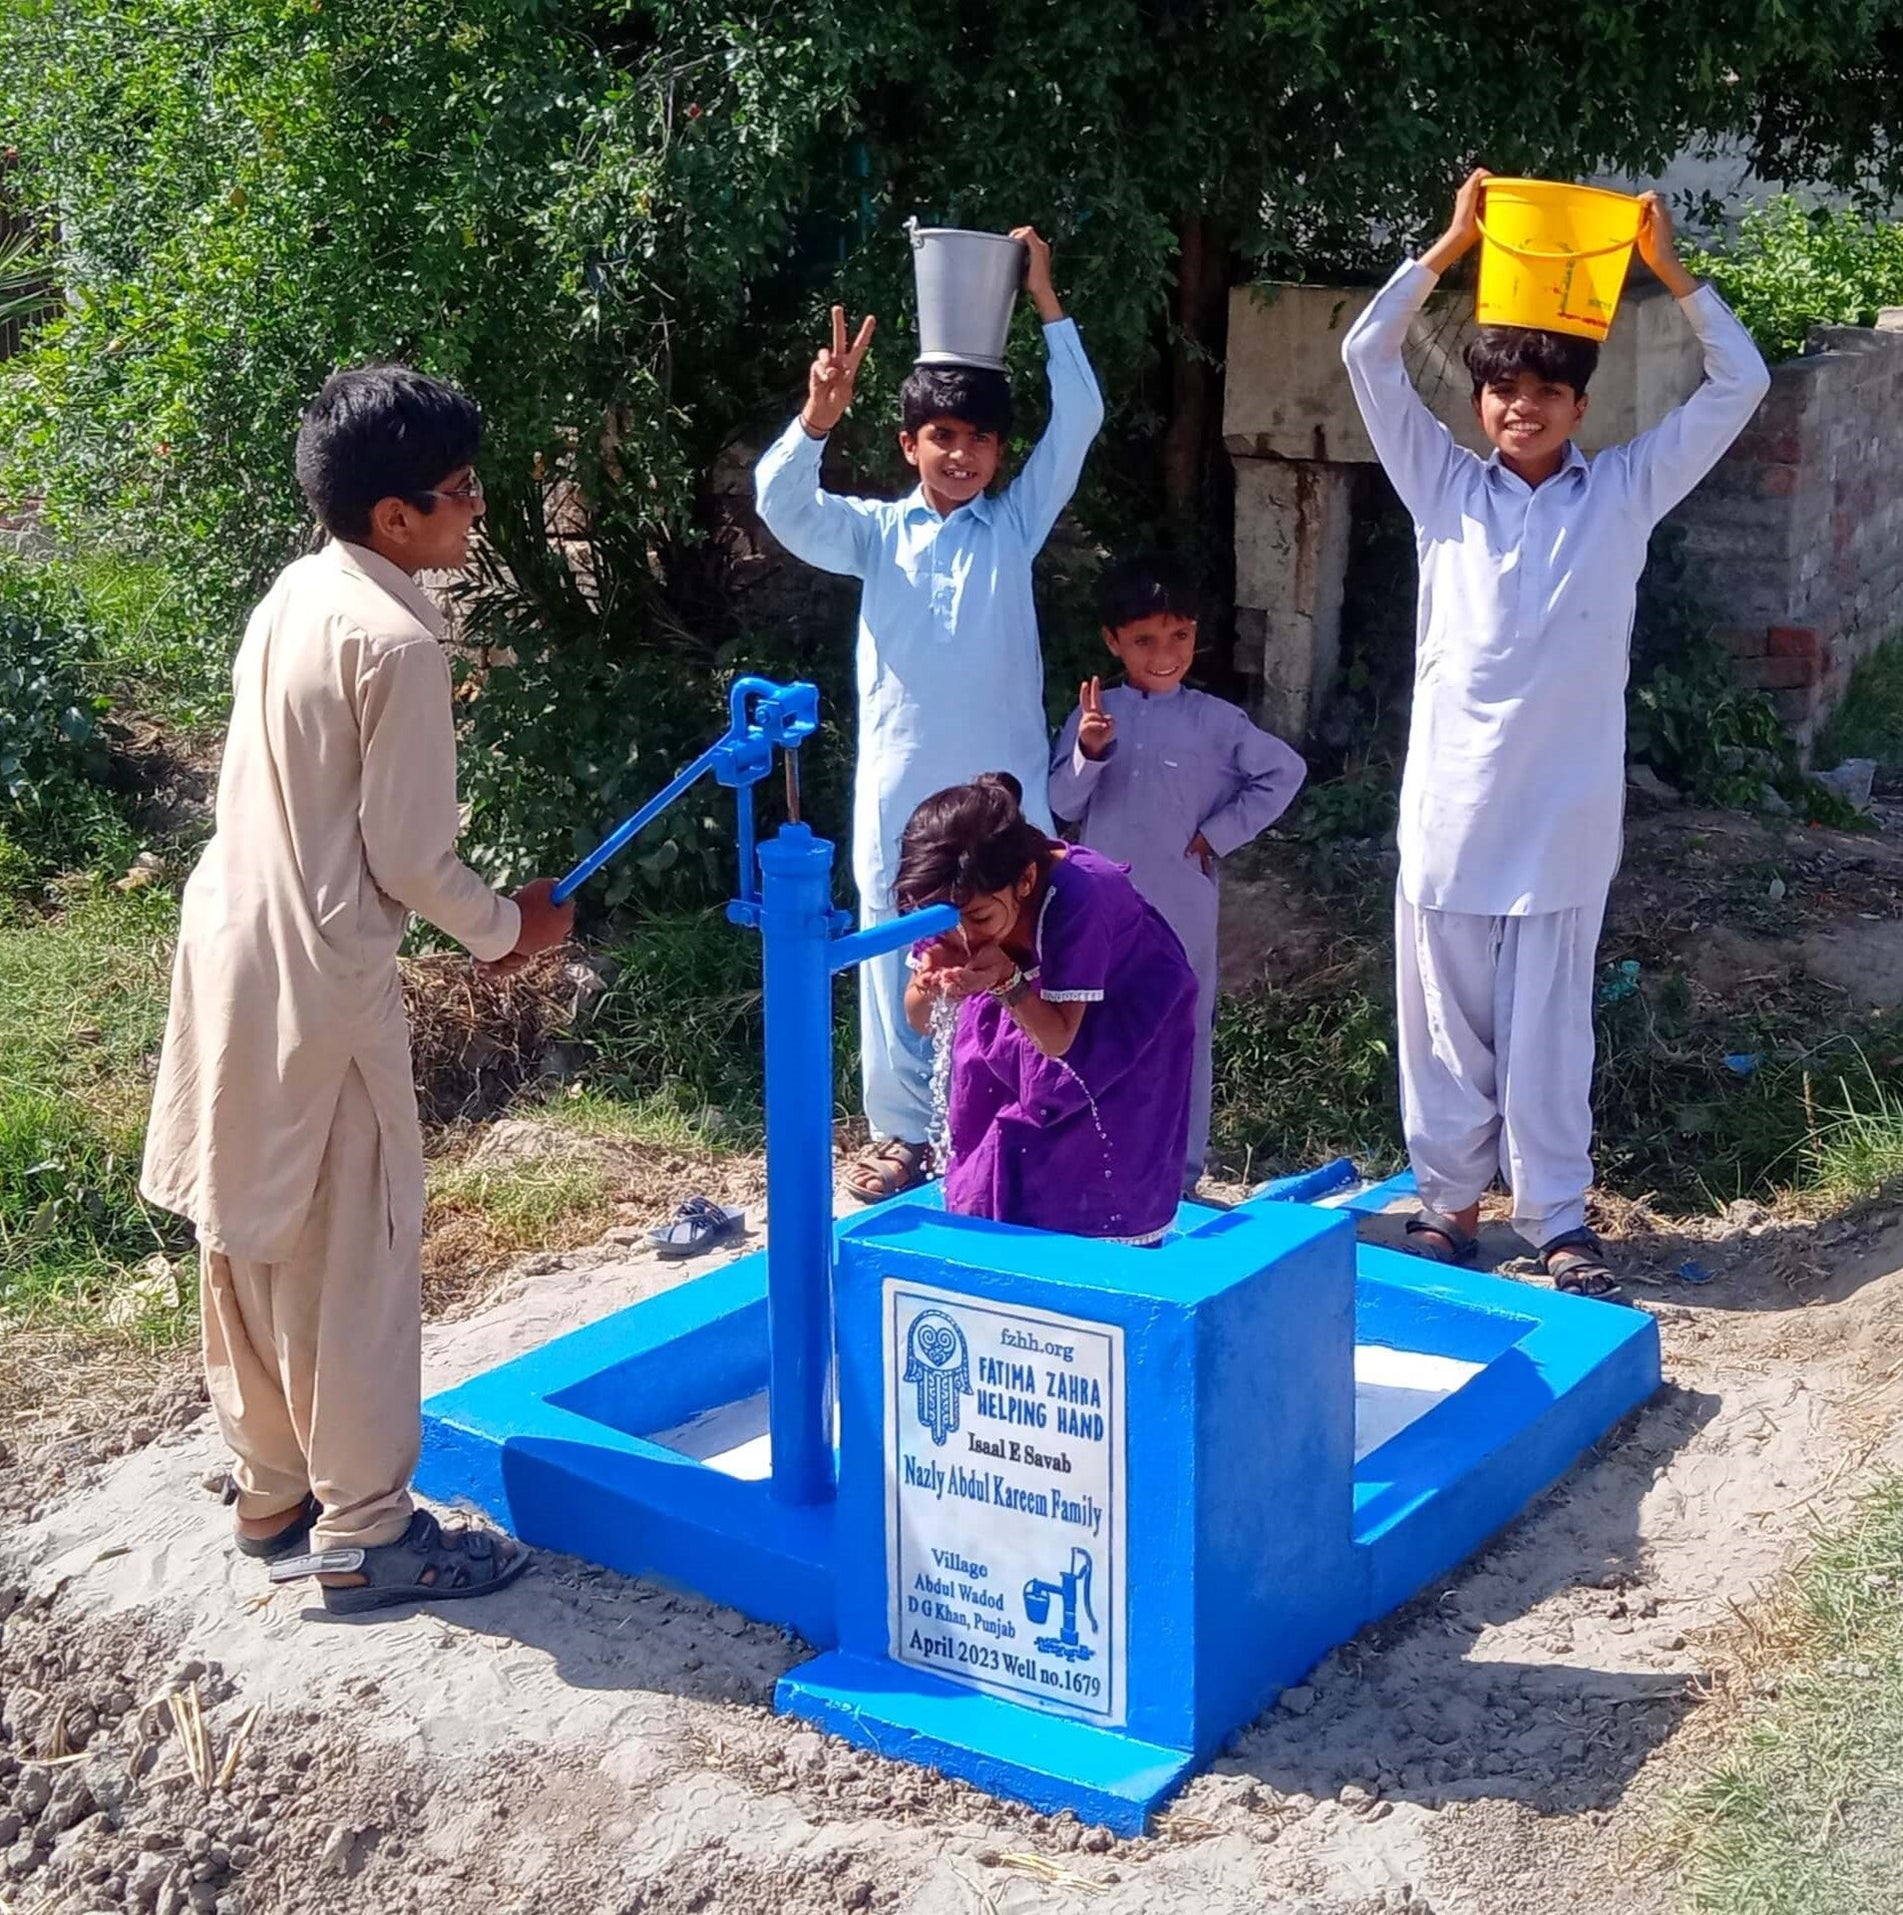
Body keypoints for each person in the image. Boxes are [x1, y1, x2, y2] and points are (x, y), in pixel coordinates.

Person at [140, 365, 572, 1613]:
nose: (478, 511)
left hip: (229, 938)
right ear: (396, 517)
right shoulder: (397, 642)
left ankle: (271, 1488)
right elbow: (410, 859)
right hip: (325, 973)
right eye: (463, 491)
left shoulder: (297, 592)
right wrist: (511, 929)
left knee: (251, 1220)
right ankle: (370, 1534)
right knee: (361, 1246)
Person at [1341, 169, 1770, 1295]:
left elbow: (1742, 383)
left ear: (1581, 405)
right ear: (1479, 404)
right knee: (1441, 1026)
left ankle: (1558, 1220)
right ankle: (1446, 1207)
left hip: (1564, 818)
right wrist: (1444, 252)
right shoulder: (1443, 491)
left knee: (1548, 1032)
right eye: (1500, 391)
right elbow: (1363, 360)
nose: (1519, 407)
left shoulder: (1623, 493)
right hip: (1448, 808)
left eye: (1543, 390)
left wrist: (1669, 274)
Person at [754, 227, 1104, 1204]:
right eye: (942, 437)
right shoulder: (872, 533)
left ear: (998, 451)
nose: (962, 454)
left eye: (980, 439)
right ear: (908, 445)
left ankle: (1016, 1119)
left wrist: (1044, 298)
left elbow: (1077, 419)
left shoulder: (1015, 526)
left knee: (1021, 944)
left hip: (1004, 806)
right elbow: (780, 505)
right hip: (901, 799)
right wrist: (817, 419)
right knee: (894, 957)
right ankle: (904, 1133)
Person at [1049, 553, 1307, 1193]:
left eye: (1179, 636)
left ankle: (1179, 1172)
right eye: (1143, 640)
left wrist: (1218, 834)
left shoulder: (1217, 721)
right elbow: (1062, 804)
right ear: (1114, 641)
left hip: (1182, 903)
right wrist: (1091, 750)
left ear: (1195, 634)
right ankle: (1098, 1157)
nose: (1163, 653)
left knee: (1181, 1026)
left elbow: (1284, 772)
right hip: (1099, 904)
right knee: (1096, 1021)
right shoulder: (1094, 714)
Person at [897, 774, 1196, 1244]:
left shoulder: (1083, 895)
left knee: (1094, 1161)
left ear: (1026, 881)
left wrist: (1005, 981)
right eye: (949, 926)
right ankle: (997, 1249)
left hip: (1115, 1016)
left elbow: (1058, 1040)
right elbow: (918, 1018)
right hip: (1014, 994)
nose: (966, 938)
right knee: (986, 1138)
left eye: (979, 919)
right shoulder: (950, 895)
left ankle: (1096, 1266)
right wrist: (935, 984)